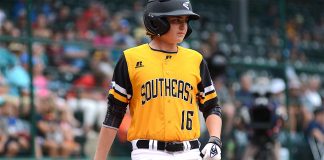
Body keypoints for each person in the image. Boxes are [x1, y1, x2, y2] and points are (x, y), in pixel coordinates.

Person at [94, 0, 223, 160]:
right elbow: (114, 112)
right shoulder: (131, 59)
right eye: (176, 20)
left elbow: (211, 106)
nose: (183, 27)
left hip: (191, 152)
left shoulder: (195, 59)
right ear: (156, 22)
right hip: (148, 152)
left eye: (185, 21)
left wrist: (215, 140)